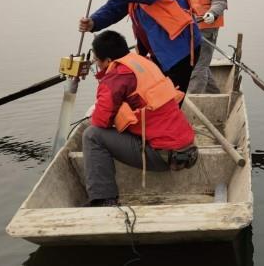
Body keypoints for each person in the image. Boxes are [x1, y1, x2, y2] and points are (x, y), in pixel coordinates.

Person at [82, 30, 198, 207]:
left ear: (107, 61)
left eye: (97, 61)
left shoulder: (116, 77)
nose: (97, 65)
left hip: (164, 154)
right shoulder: (143, 62)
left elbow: (99, 121)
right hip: (187, 148)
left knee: (91, 135)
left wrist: (97, 110)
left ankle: (104, 200)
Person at [80, 0, 202, 94]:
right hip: (158, 50)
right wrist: (94, 22)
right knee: (154, 94)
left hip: (180, 49)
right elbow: (116, 6)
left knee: (170, 98)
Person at [180, 0, 228, 94]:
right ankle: (216, 95)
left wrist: (212, 13)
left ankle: (193, 102)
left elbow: (220, 0)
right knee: (202, 64)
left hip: (207, 29)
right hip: (192, 28)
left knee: (198, 66)